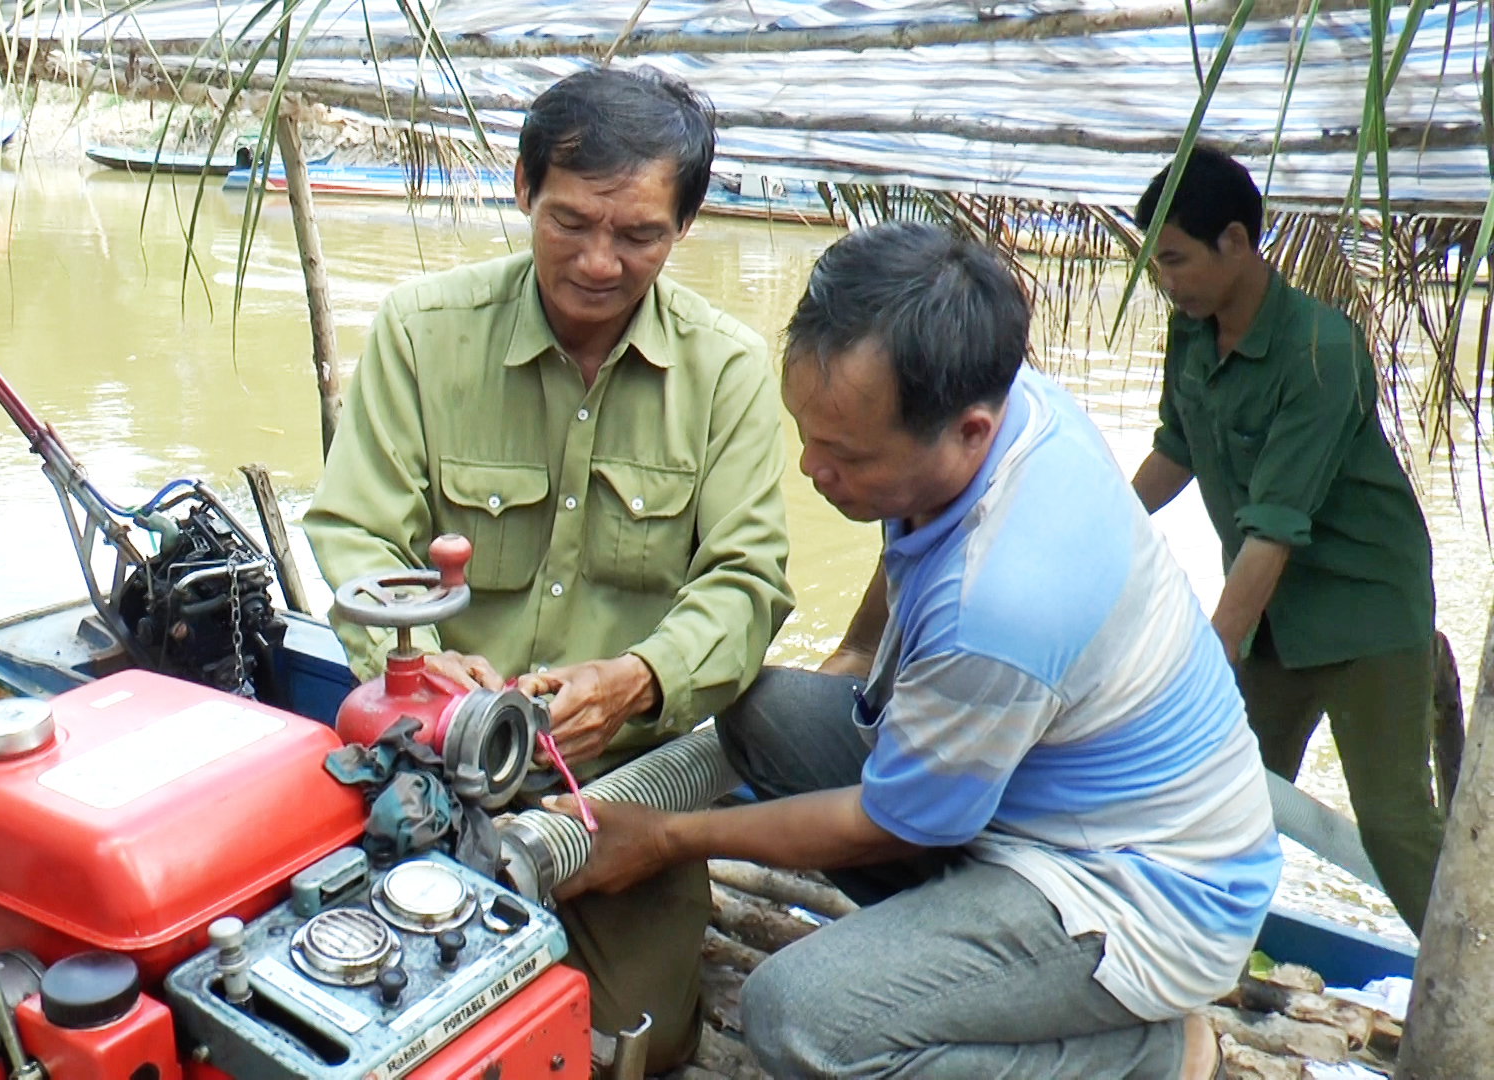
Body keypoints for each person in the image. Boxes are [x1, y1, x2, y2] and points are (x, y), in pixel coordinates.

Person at [549, 223, 1280, 1079]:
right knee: (763, 714)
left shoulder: (1004, 600)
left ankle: (1146, 1053)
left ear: (968, 429)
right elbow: (911, 535)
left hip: (1140, 893)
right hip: (1032, 805)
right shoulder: (1006, 401)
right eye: (806, 433)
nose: (814, 469)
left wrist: (668, 838)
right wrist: (859, 652)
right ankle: (964, 957)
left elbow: (888, 821)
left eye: (847, 455)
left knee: (795, 1018)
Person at [303, 67, 793, 1070]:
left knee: (629, 1046)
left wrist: (640, 681)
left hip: (620, 789)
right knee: (356, 1015)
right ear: (522, 186)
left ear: (685, 227)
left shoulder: (730, 373)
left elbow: (748, 584)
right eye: (570, 220)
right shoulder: (420, 333)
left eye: (639, 235)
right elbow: (356, 534)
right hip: (429, 762)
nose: (600, 261)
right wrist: (425, 670)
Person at [1128, 148, 1444, 934]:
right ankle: (1192, 953)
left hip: (1362, 611)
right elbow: (1177, 450)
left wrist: (1207, 657)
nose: (1165, 280)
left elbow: (1274, 527)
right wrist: (1097, 529)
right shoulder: (1191, 331)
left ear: (1235, 241)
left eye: (1175, 259)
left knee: (1393, 821)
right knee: (1220, 793)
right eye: (1155, 263)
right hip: (1272, 614)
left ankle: (1469, 983)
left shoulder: (1320, 348)